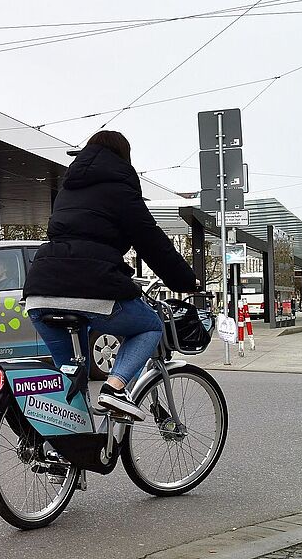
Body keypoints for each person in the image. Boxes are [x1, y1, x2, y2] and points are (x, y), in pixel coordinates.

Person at [23, 130, 199, 420]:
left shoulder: (68, 188)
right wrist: (184, 280)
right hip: (91, 285)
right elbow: (151, 241)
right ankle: (115, 389)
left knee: (72, 383)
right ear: (123, 157)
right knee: (149, 326)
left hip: (39, 291)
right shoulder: (119, 188)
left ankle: (67, 454)